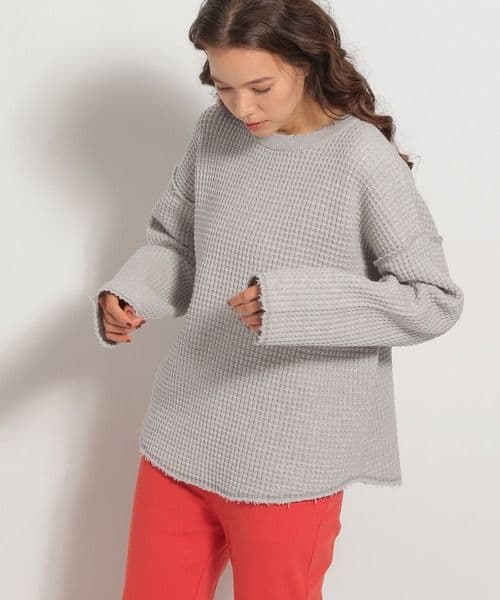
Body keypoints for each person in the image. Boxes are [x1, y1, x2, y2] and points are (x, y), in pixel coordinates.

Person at [90, 1, 465, 598]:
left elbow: (434, 299)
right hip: (182, 432)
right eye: (223, 88)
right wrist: (130, 293)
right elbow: (177, 244)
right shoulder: (215, 132)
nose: (242, 108)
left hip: (290, 459)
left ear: (307, 62)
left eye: (260, 87)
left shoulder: (360, 157)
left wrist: (295, 305)